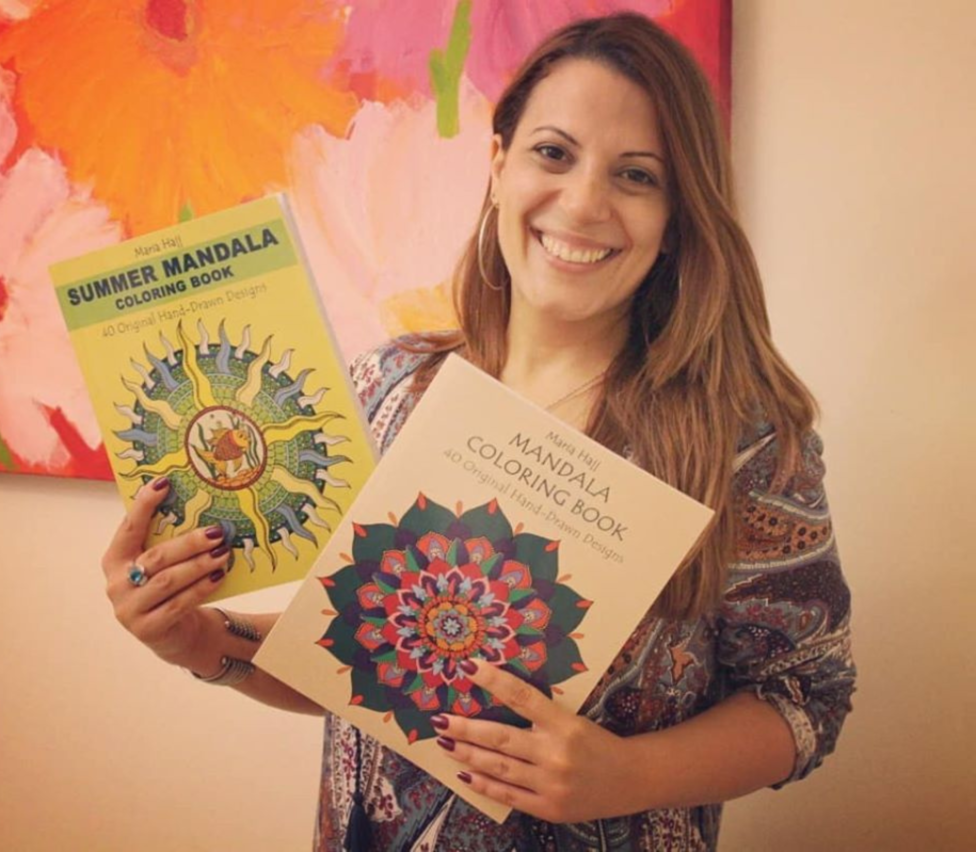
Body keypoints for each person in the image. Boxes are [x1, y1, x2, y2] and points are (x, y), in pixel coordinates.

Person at [102, 13, 855, 851]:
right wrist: (201, 639)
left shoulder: (743, 443)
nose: (583, 202)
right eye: (553, 153)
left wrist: (628, 776)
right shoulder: (389, 387)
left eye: (637, 175)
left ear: (677, 215)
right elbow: (354, 661)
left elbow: (804, 697)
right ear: (498, 166)